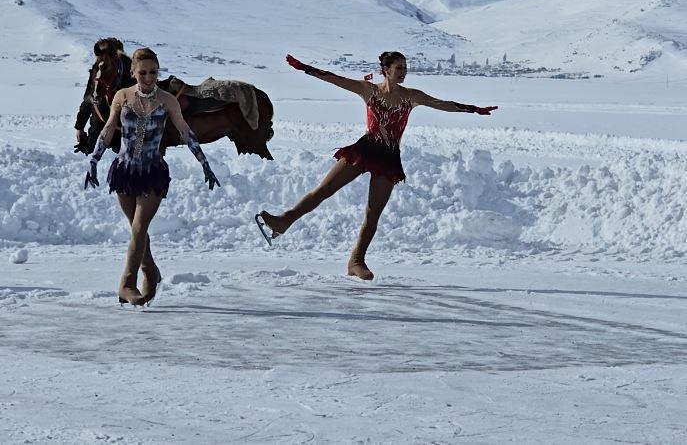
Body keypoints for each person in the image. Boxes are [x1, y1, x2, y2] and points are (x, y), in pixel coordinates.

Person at [256, 52, 497, 281]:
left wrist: (473, 109)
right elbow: (334, 78)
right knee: (323, 191)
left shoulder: (411, 96)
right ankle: (284, 221)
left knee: (373, 214)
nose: (403, 72)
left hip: (388, 157)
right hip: (365, 149)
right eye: (399, 67)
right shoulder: (368, 90)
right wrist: (305, 68)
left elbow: (442, 104)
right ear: (385, 70)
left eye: (405, 67)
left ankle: (356, 261)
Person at [84, 47, 221, 306]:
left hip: (152, 172)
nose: (149, 77)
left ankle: (127, 283)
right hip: (124, 171)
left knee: (139, 227)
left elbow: (185, 131)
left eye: (154, 72)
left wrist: (204, 163)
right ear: (134, 73)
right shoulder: (122, 96)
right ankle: (151, 271)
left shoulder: (167, 100)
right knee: (138, 231)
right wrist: (94, 159)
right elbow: (108, 127)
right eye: (143, 72)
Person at [73, 37, 135, 154]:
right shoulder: (98, 70)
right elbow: (88, 99)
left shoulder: (132, 72)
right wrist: (80, 127)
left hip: (125, 128)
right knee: (90, 150)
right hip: (99, 122)